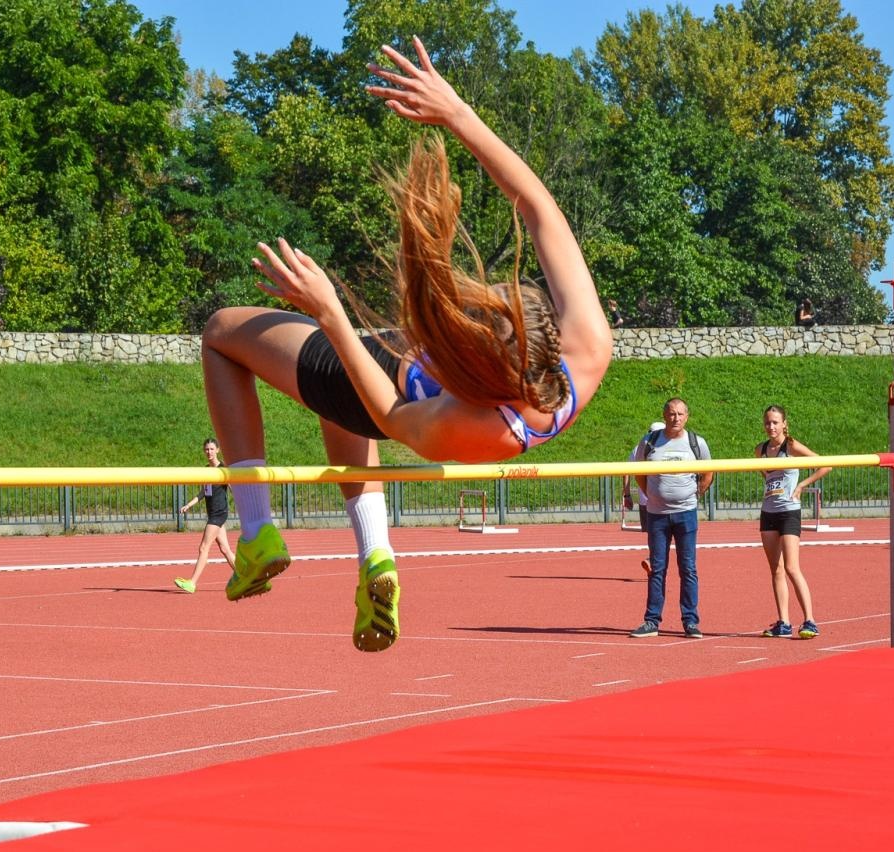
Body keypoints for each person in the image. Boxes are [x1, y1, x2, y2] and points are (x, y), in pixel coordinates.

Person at [198, 36, 613, 653]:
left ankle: (257, 530)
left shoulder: (478, 429)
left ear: (475, 371)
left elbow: (389, 416)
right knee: (336, 398)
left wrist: (331, 313)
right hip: (411, 365)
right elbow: (538, 208)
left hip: (387, 387)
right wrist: (458, 114)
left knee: (221, 333)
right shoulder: (587, 346)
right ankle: (376, 557)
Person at [630, 398, 711, 639]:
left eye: (680, 414)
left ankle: (690, 621)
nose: (676, 418)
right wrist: (652, 494)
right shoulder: (649, 442)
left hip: (686, 513)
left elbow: (708, 473)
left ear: (687, 416)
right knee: (657, 569)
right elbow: (639, 472)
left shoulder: (697, 443)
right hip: (657, 515)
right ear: (664, 416)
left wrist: (695, 493)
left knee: (688, 569)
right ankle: (651, 621)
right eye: (672, 414)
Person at [754, 405, 832, 639]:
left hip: (789, 511)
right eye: (768, 422)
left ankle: (810, 620)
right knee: (776, 569)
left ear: (784, 424)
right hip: (768, 512)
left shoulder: (791, 446)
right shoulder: (760, 450)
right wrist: (772, 484)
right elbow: (765, 474)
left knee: (791, 567)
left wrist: (801, 485)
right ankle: (784, 622)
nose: (771, 426)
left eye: (775, 422)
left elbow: (825, 465)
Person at [173, 439, 239, 595]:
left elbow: (233, 488)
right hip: (213, 513)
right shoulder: (206, 470)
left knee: (203, 547)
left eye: (212, 449)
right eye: (206, 449)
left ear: (218, 450)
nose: (209, 452)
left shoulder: (223, 469)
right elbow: (204, 492)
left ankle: (192, 583)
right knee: (225, 549)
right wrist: (189, 505)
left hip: (219, 514)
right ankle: (246, 577)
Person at [622, 421, 666, 574]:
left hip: (645, 500)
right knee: (664, 534)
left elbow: (625, 470)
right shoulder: (665, 446)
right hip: (661, 499)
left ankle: (654, 560)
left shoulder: (639, 447)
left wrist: (627, 494)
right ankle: (654, 560)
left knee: (653, 534)